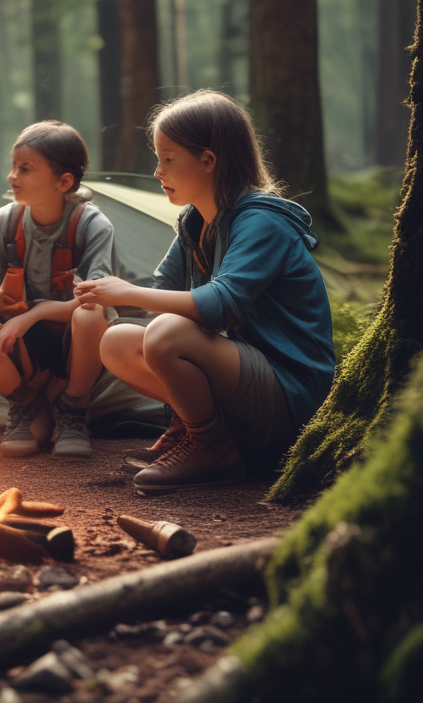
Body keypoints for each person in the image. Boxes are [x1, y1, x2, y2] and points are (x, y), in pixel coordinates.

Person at [76, 90, 335, 495]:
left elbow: (220, 304)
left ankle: (211, 446)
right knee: (117, 341)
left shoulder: (261, 222)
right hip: (243, 378)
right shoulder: (196, 222)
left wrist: (129, 292)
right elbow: (162, 290)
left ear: (209, 160)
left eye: (168, 159)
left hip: (289, 394)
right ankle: (196, 427)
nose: (158, 172)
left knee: (166, 334)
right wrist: (108, 295)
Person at [0, 121, 119, 459]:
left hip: (74, 346)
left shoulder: (92, 225)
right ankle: (26, 406)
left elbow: (95, 295)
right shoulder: (4, 223)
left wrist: (32, 314)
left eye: (25, 169)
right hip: (23, 350)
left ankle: (72, 410)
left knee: (91, 313)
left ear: (64, 181)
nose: (12, 176)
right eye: (13, 166)